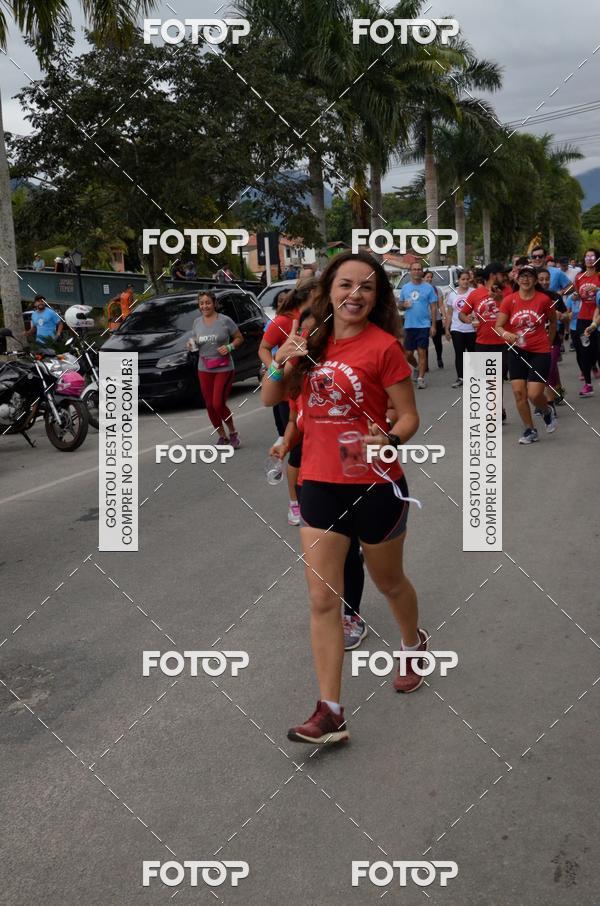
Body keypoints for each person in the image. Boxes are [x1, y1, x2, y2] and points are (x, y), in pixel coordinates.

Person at [262, 251, 423, 745]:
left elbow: (408, 417)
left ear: (377, 299)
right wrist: (282, 362)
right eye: (346, 284)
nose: (355, 294)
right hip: (320, 484)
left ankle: (413, 643)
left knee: (389, 583)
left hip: (374, 483)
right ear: (329, 289)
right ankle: (330, 710)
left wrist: (390, 439)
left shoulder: (384, 348)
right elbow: (272, 399)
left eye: (367, 288)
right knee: (321, 600)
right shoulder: (310, 342)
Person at [270, 308, 368, 650]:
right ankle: (331, 609)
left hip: (352, 465)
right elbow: (294, 417)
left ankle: (352, 615)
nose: (305, 339)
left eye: (312, 333)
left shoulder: (351, 363)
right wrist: (284, 443)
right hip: (314, 472)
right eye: (300, 333)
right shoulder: (297, 374)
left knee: (350, 549)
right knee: (326, 551)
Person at [259, 278, 318, 524]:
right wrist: (276, 362)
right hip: (290, 395)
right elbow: (269, 395)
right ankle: (295, 503)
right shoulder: (289, 324)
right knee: (296, 450)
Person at [495, 265, 557, 443]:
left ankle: (546, 411)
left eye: (530, 276)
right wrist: (507, 335)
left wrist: (549, 342)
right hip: (517, 350)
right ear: (517, 279)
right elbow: (498, 326)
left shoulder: (544, 300)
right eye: (522, 276)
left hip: (539, 351)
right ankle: (530, 430)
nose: (525, 279)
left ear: (535, 280)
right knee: (518, 393)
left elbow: (553, 322)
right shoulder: (509, 300)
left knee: (534, 394)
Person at [188, 291, 244, 447]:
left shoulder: (225, 321)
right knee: (210, 405)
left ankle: (233, 433)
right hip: (204, 368)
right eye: (201, 303)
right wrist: (192, 344)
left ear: (214, 304)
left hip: (223, 367)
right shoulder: (196, 322)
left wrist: (230, 346)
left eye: (207, 302)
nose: (204, 306)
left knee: (218, 403)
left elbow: (239, 338)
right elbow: (195, 341)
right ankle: (222, 436)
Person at [460, 262, 509, 397]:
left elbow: (516, 311)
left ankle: (497, 408)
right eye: (502, 274)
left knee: (497, 379)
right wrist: (467, 319)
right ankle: (495, 409)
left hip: (504, 343)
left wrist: (501, 299)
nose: (504, 277)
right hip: (482, 343)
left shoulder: (508, 291)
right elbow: (462, 313)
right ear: (493, 276)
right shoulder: (476, 294)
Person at [398, 260, 437, 389]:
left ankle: (421, 378)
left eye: (419, 269)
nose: (416, 271)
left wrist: (433, 325)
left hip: (424, 325)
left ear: (422, 271)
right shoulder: (405, 288)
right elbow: (400, 305)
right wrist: (403, 305)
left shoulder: (428, 288)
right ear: (410, 272)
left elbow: (433, 307)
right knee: (407, 354)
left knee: (422, 352)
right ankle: (416, 367)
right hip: (409, 325)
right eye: (414, 269)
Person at [536, 267, 567, 407]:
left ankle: (548, 402)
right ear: (536, 280)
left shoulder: (555, 297)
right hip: (535, 340)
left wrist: (562, 316)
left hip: (552, 338)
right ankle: (553, 392)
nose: (544, 282)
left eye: (547, 279)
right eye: (541, 279)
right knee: (541, 371)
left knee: (550, 366)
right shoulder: (531, 297)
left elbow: (567, 316)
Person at [573, 249, 600, 396]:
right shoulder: (579, 277)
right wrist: (576, 296)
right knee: (582, 350)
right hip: (583, 318)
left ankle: (594, 365)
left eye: (592, 256)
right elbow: (577, 295)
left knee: (596, 350)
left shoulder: (599, 276)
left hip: (598, 317)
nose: (589, 259)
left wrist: (597, 289)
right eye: (587, 256)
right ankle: (588, 385)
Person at [445, 270, 475, 388]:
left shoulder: (474, 292)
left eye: (467, 279)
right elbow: (449, 313)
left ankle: (473, 376)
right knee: (459, 354)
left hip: (472, 329)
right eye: (463, 279)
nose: (465, 281)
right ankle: (461, 377)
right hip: (457, 328)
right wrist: (447, 329)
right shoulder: (452, 294)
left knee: (473, 354)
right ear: (458, 280)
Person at [423, 270, 445, 368]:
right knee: (424, 344)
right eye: (427, 277)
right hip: (423, 320)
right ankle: (425, 364)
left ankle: (439, 358)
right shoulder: (419, 290)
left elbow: (441, 305)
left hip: (436, 319)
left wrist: (444, 317)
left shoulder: (437, 290)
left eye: (431, 277)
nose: (430, 279)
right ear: (423, 278)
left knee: (438, 342)